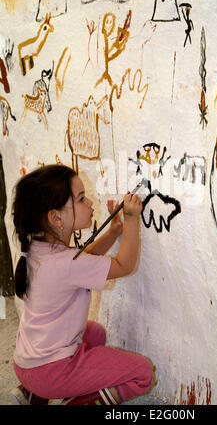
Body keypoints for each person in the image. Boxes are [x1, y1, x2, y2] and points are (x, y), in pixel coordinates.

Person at [10, 164, 154, 405]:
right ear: (55, 217)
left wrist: (111, 233)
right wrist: (131, 220)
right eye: (81, 199)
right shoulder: (66, 263)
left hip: (26, 364)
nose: (90, 203)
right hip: (51, 371)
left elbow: (82, 261)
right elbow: (125, 265)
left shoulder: (37, 249)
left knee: (95, 333)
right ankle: (80, 401)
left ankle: (32, 392)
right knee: (143, 374)